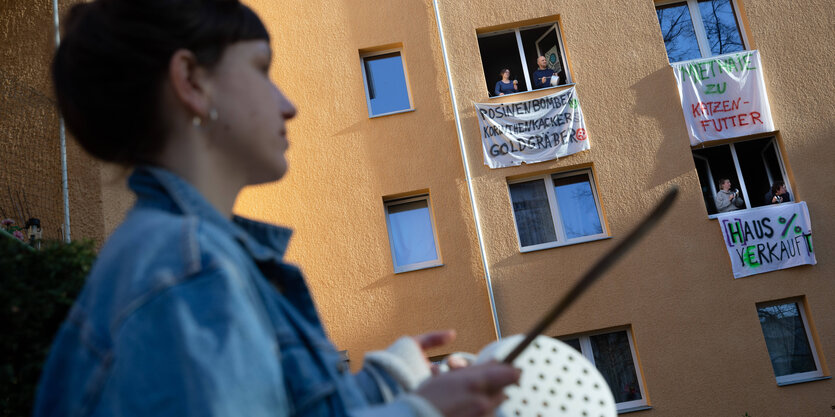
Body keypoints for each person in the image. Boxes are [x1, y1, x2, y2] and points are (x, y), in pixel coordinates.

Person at [34, 1, 519, 416]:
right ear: (191, 82)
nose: (288, 105)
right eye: (262, 70)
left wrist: (390, 382)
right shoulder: (189, 272)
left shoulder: (189, 259)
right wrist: (421, 411)